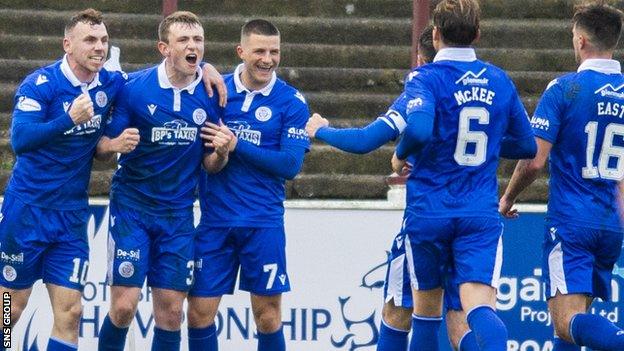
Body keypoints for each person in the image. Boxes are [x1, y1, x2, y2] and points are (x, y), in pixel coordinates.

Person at [306, 26, 478, 351]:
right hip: (473, 220)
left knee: (400, 309)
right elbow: (523, 145)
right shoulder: (485, 90)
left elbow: (367, 140)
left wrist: (323, 130)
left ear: (420, 58)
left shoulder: (420, 92)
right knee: (462, 320)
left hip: (427, 217)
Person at [390, 0, 536, 350]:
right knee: (477, 308)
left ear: (435, 34)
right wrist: (485, 146)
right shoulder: (499, 80)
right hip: (477, 210)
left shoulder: (425, 77)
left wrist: (399, 155)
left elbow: (420, 130)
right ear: (478, 34)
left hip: (430, 210)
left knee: (425, 311)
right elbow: (528, 145)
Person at [0, 9, 140, 351]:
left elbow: (156, 77)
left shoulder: (110, 83)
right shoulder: (41, 84)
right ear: (68, 45)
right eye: (90, 40)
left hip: (71, 218)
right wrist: (68, 119)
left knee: (71, 313)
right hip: (27, 211)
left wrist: (109, 144)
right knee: (9, 310)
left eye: (104, 40)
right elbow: (21, 140)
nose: (99, 47)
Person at [95, 11, 227, 351]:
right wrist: (114, 144)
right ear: (163, 48)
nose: (192, 46)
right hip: (132, 209)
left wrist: (222, 153)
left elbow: (210, 164)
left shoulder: (212, 93)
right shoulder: (135, 89)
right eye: (183, 40)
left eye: (198, 40)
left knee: (171, 314)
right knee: (123, 307)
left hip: (178, 215)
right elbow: (102, 149)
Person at [499, 4, 624, 351]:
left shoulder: (565, 89)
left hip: (572, 220)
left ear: (581, 41)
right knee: (571, 324)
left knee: (567, 321)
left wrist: (508, 197)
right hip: (612, 223)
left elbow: (534, 161)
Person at [186, 19, 310, 351]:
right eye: (259, 51)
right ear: (241, 51)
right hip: (216, 223)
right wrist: (222, 153)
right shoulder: (216, 93)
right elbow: (207, 161)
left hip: (263, 223)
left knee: (268, 317)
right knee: (198, 315)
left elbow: (290, 165)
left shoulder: (291, 102)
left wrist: (238, 145)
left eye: (274, 51)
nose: (267, 59)